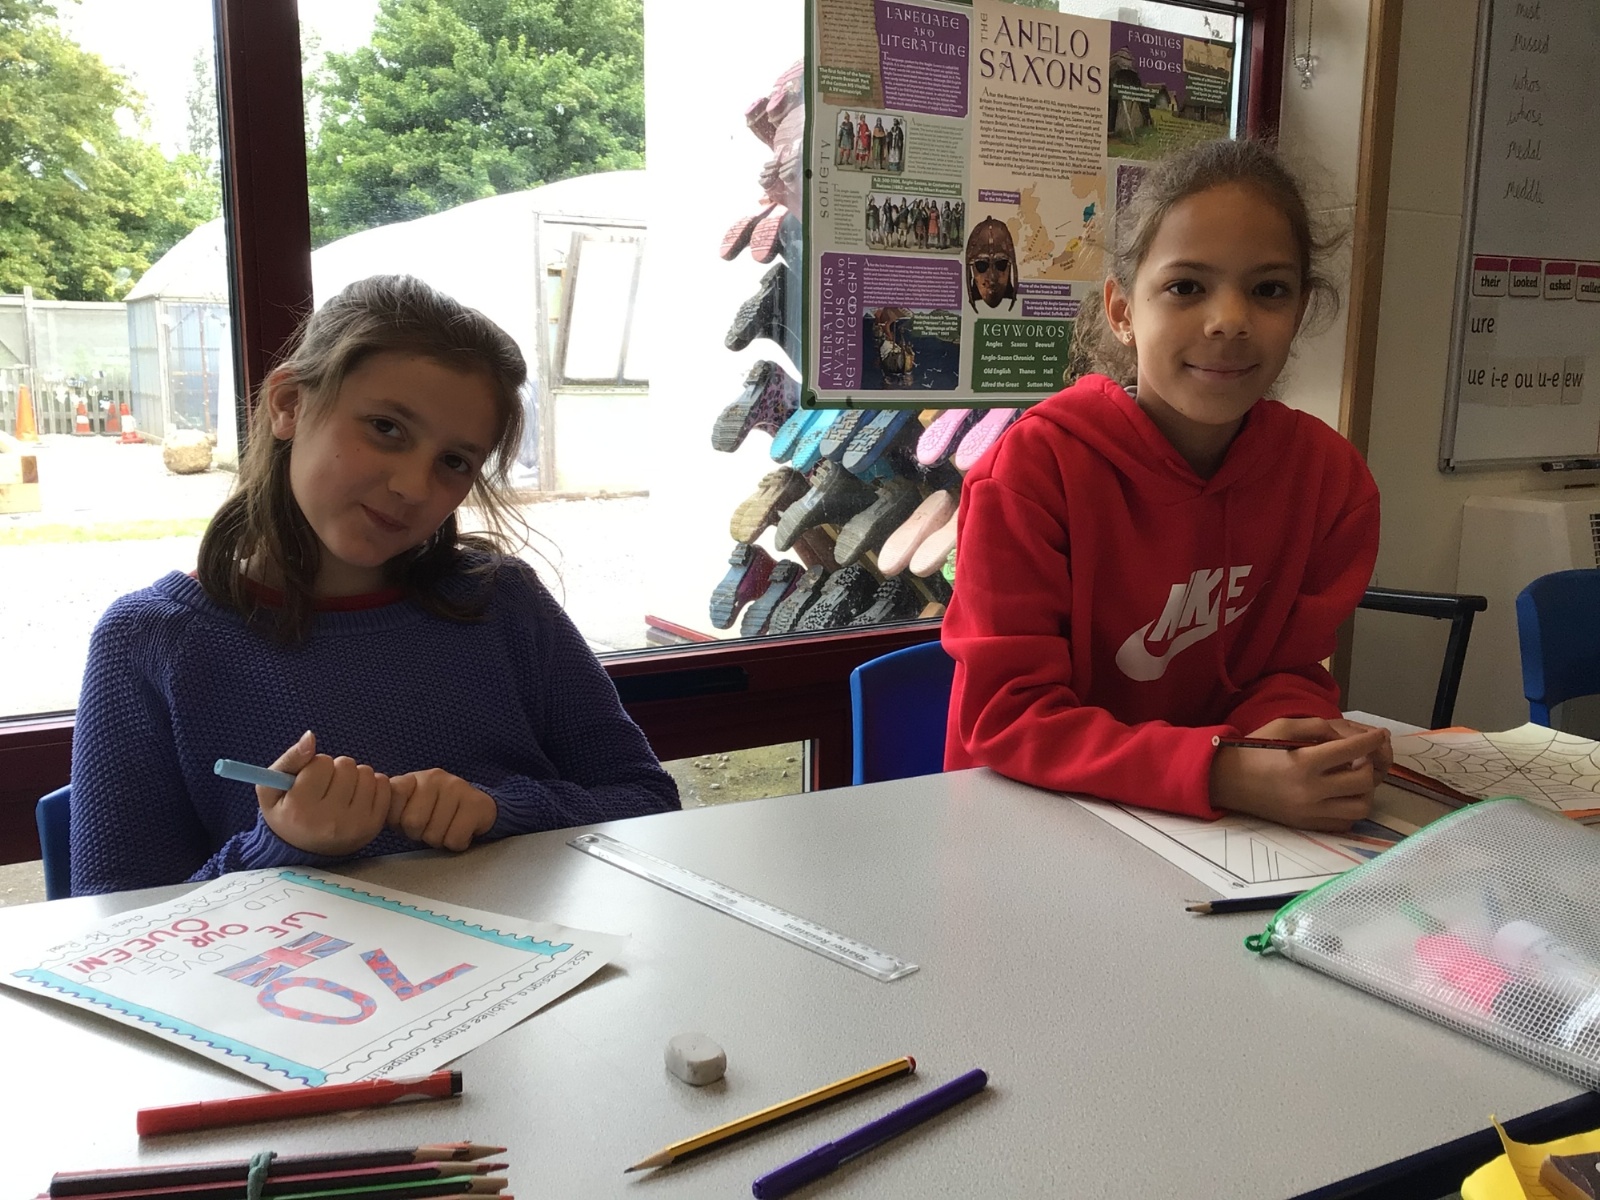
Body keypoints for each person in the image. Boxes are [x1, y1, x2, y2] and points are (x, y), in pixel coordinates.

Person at [70, 275, 680, 894]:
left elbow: (646, 799)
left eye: (454, 462)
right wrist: (279, 845)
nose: (413, 487)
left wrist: (500, 810)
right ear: (288, 404)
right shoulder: (149, 640)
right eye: (386, 428)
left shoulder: (503, 602)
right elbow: (118, 918)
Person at [943, 140, 1389, 832]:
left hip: (1223, 837)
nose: (1230, 319)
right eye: (1186, 287)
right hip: (1029, 828)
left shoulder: (1330, 481)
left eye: (1269, 289)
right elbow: (1007, 717)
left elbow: (1287, 669)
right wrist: (1221, 769)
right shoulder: (1033, 472)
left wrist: (1296, 740)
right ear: (1122, 311)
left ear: (1301, 311)